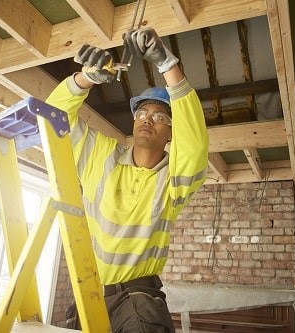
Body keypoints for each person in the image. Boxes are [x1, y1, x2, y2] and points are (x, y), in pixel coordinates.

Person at [45, 27, 209, 332]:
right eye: (142, 113)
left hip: (139, 299)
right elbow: (51, 120)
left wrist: (168, 64)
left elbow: (196, 144)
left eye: (160, 117)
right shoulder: (101, 155)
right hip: (89, 293)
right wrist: (86, 79)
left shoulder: (174, 181)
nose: (148, 118)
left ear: (172, 132)